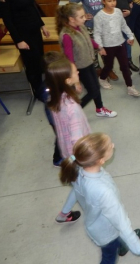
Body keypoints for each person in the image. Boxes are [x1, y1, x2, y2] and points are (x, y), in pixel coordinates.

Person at [59, 133, 140, 262]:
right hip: (106, 233)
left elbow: (75, 192)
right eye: (110, 146)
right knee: (109, 256)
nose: (113, 145)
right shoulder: (103, 191)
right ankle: (121, 244)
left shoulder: (78, 169)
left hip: (96, 224)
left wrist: (65, 211)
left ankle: (122, 245)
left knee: (116, 239)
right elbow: (121, 222)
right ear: (101, 160)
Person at [46, 55, 89, 226]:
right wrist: (88, 158)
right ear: (68, 79)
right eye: (74, 70)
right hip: (79, 158)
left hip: (67, 153)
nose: (78, 70)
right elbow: (77, 140)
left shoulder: (56, 98)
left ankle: (64, 214)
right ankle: (114, 239)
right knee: (92, 199)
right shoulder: (72, 108)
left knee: (78, 187)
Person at [57, 3, 117, 117]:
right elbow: (69, 59)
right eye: (81, 17)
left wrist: (99, 47)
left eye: (84, 16)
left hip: (89, 63)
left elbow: (88, 39)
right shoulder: (66, 35)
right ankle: (73, 112)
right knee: (92, 91)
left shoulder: (80, 27)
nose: (85, 18)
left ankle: (100, 109)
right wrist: (76, 80)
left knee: (96, 87)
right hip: (80, 68)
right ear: (71, 19)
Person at [70, 0, 118, 79]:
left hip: (104, 27)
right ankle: (97, 69)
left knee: (106, 48)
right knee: (94, 50)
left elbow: (110, 5)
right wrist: (83, 14)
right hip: (90, 27)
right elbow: (71, 3)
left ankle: (108, 68)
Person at [93, 0, 140, 97]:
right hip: (107, 46)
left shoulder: (118, 12)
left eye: (114, 0)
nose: (112, 3)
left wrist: (130, 36)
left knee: (124, 66)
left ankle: (130, 87)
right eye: (109, 1)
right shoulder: (99, 16)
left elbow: (123, 25)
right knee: (109, 66)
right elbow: (97, 33)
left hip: (120, 44)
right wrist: (100, 47)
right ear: (103, 1)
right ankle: (102, 78)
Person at [105, 0, 137, 72]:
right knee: (116, 44)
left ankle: (129, 61)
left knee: (127, 41)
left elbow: (134, 4)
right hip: (113, 24)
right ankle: (119, 63)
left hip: (126, 22)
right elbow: (106, 8)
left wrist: (130, 12)